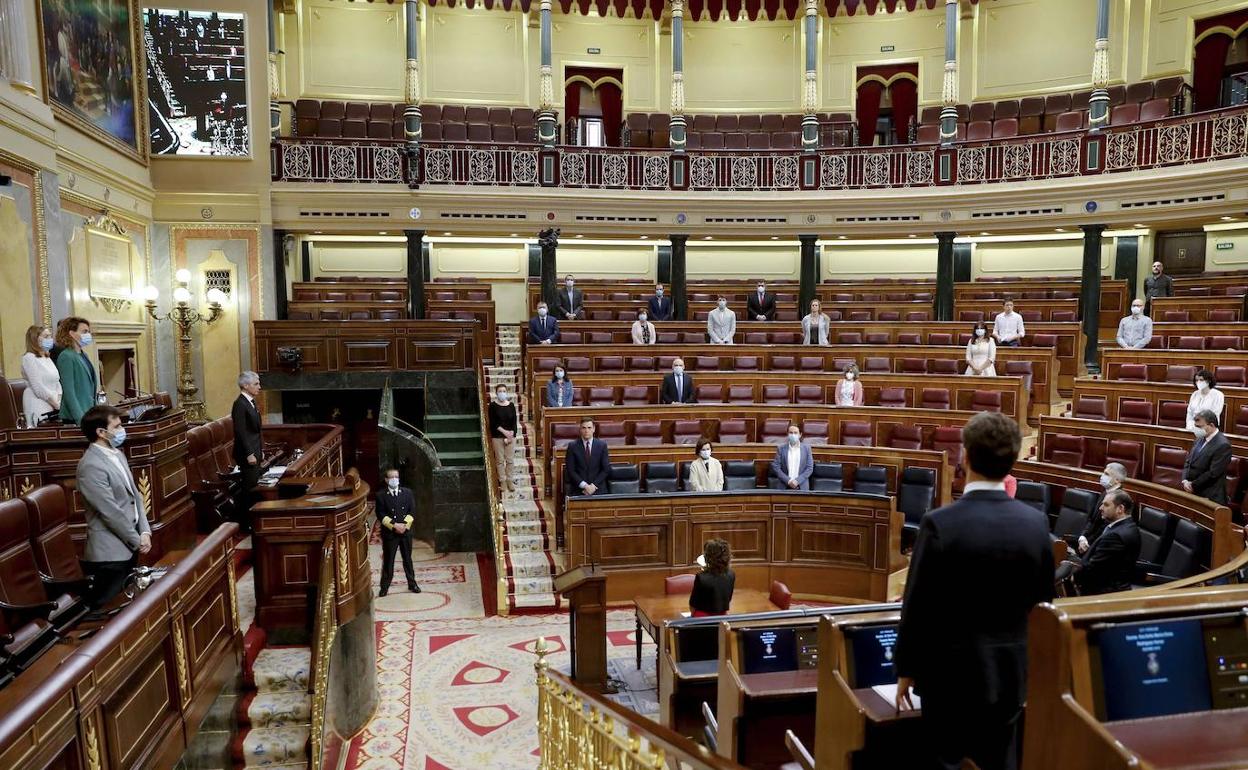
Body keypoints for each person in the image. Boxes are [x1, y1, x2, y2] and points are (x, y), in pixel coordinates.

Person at [894, 412, 1054, 770]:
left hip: (949, 679)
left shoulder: (940, 524)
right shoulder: (1035, 524)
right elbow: (1043, 606)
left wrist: (906, 668)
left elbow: (917, 607)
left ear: (964, 457)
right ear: (1013, 460)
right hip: (1010, 677)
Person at [76, 405, 151, 610]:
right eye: (116, 427)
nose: (122, 430)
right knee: (111, 613)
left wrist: (145, 531)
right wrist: (136, 540)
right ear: (101, 432)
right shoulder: (90, 466)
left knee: (131, 609)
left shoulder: (117, 454)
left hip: (129, 546)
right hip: (109, 555)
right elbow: (110, 512)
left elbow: (135, 496)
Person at [1070, 489, 1141, 596]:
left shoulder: (1115, 536)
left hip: (1103, 593)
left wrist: (1073, 577)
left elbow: (1094, 569)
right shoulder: (1129, 526)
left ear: (1120, 509)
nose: (1100, 508)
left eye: (1106, 505)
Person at [375, 468, 420, 596]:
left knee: (407, 559)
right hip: (390, 533)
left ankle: (412, 583)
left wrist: (404, 525)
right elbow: (380, 514)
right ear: (386, 480)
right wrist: (394, 526)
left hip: (405, 532)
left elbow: (412, 511)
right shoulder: (381, 495)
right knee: (388, 561)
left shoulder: (407, 493)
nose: (394, 479)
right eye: (392, 477)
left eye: (396, 477)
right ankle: (384, 587)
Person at [232, 371, 264, 533]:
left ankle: (252, 521)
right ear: (245, 385)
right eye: (256, 384)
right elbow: (241, 432)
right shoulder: (240, 404)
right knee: (249, 490)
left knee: (254, 487)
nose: (259, 387)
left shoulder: (251, 402)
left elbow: (256, 431)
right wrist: (249, 453)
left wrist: (260, 450)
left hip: (255, 450)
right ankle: (245, 525)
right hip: (247, 454)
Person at [1183, 409, 1232, 504]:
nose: (1196, 430)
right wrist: (1185, 480)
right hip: (1193, 491)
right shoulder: (1199, 439)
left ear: (1212, 425)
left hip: (1210, 495)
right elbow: (1188, 461)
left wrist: (1192, 485)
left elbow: (1213, 473)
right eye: (1195, 426)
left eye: (1199, 427)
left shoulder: (1223, 445)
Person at [1077, 462, 1127, 554]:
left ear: (1117, 480)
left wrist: (1088, 543)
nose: (1102, 476)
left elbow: (1106, 528)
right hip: (1089, 542)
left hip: (1101, 547)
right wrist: (1083, 537)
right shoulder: (1104, 493)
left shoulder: (1120, 499)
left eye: (1107, 474)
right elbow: (1091, 519)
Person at [55, 316, 97, 424]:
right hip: (75, 417)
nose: (88, 335)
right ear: (72, 334)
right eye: (84, 331)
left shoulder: (84, 355)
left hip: (89, 413)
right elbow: (69, 392)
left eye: (88, 332)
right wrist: (80, 418)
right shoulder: (66, 356)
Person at [20, 325, 62, 427]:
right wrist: (56, 404)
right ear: (34, 339)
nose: (50, 339)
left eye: (50, 336)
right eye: (46, 336)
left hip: (55, 403)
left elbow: (57, 381)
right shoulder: (29, 358)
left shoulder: (46, 357)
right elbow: (38, 387)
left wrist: (59, 400)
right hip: (38, 403)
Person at [565, 416, 609, 497]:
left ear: (594, 429)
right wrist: (585, 486)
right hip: (579, 489)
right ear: (580, 429)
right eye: (584, 428)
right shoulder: (572, 446)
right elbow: (571, 470)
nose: (586, 431)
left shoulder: (602, 445)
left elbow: (605, 469)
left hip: (598, 488)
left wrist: (593, 486)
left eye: (589, 428)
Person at [689, 538, 735, 616]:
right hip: (722, 618)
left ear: (708, 557)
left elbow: (693, 606)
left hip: (703, 619)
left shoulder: (701, 577)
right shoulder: (731, 574)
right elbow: (728, 600)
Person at [488, 383, 518, 494]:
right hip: (497, 436)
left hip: (510, 436)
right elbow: (493, 423)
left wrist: (511, 434)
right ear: (496, 393)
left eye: (504, 391)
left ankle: (510, 480)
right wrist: (505, 432)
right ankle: (502, 481)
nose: (502, 393)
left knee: (510, 460)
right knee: (500, 461)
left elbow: (514, 422)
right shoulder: (492, 406)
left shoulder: (511, 405)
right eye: (500, 391)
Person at [770, 424, 813, 490]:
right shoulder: (781, 448)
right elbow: (776, 467)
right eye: (791, 433)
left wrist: (797, 481)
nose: (793, 435)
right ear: (787, 434)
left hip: (801, 486)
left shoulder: (807, 448)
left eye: (795, 433)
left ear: (800, 435)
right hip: (784, 486)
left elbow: (809, 468)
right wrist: (788, 481)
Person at [1185, 368, 1224, 434]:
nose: (1198, 382)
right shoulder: (1195, 394)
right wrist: (1189, 426)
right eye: (1196, 380)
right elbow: (1189, 413)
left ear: (1209, 381)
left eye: (1201, 380)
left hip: (1208, 428)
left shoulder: (1218, 395)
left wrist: (1200, 426)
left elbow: (1214, 414)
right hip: (1192, 427)